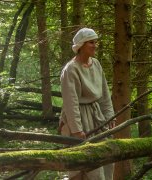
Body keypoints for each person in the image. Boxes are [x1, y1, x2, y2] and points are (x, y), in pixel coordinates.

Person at [58, 27, 115, 180]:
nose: (95, 45)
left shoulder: (96, 64)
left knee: (104, 159)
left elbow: (104, 94)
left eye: (95, 42)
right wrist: (76, 130)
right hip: (80, 118)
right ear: (81, 45)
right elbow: (71, 103)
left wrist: (110, 117)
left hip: (97, 116)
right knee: (83, 166)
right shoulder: (70, 69)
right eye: (91, 42)